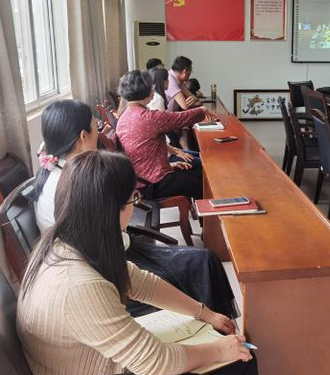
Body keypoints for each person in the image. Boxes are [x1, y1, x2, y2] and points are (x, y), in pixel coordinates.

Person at [18, 151, 260, 375]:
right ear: (112, 210)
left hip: (93, 365)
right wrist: (218, 350)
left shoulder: (67, 242)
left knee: (215, 341)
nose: (135, 204)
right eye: (133, 198)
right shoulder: (78, 285)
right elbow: (157, 363)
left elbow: (141, 282)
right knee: (240, 366)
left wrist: (205, 313)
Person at [33, 100, 236, 318]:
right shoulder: (77, 181)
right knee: (201, 264)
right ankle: (220, 326)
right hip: (101, 267)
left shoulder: (56, 172)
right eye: (96, 127)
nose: (99, 132)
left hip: (105, 253)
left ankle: (221, 324)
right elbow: (106, 246)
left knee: (203, 260)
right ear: (84, 136)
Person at [117, 70, 214, 200]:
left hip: (141, 180)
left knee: (199, 173)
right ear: (145, 90)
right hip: (153, 184)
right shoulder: (149, 118)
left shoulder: (124, 117)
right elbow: (181, 118)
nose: (153, 89)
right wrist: (203, 110)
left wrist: (168, 165)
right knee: (206, 185)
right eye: (151, 86)